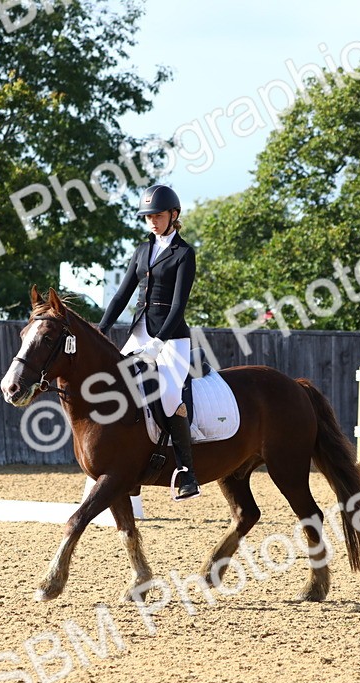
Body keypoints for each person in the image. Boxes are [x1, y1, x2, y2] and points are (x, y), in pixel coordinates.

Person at [97, 184, 200, 501]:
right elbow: (121, 296)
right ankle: (128, 462)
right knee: (113, 384)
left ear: (173, 215)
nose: (152, 222)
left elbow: (179, 306)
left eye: (157, 215)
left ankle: (186, 473)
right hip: (139, 333)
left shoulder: (183, 253)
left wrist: (158, 343)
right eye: (148, 217)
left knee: (168, 395)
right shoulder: (142, 251)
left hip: (172, 339)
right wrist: (100, 331)